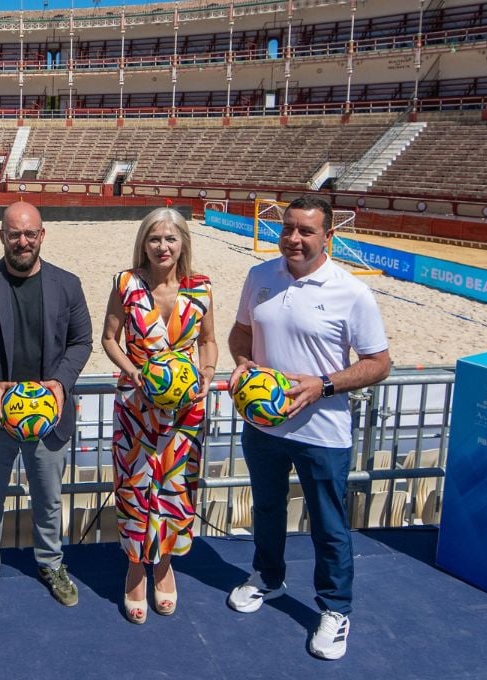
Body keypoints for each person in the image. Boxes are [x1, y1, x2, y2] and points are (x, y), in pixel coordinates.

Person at [225, 195, 391, 661]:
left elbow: (379, 364)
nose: (294, 239)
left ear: (327, 237)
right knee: (268, 509)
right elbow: (241, 332)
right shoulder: (260, 277)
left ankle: (336, 610)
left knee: (329, 525)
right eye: (289, 228)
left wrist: (324, 384)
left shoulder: (351, 291)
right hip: (264, 426)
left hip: (322, 431)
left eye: (306, 231)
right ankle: (269, 577)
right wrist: (242, 363)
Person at [0, 201, 92, 614]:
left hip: (49, 417)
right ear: (2, 237)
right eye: (15, 234)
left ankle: (51, 564)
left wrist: (62, 385)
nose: (23, 241)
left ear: (42, 235)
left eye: (30, 233)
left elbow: (82, 341)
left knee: (48, 499)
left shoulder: (67, 284)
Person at [101, 207, 217, 624]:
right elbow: (109, 338)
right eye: (154, 239)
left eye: (170, 238)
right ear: (143, 243)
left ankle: (164, 565)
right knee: (134, 487)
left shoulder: (201, 288)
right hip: (136, 406)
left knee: (175, 488)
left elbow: (209, 342)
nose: (162, 246)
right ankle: (135, 567)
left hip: (184, 409)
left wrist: (206, 373)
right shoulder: (126, 283)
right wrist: (133, 372)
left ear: (183, 242)